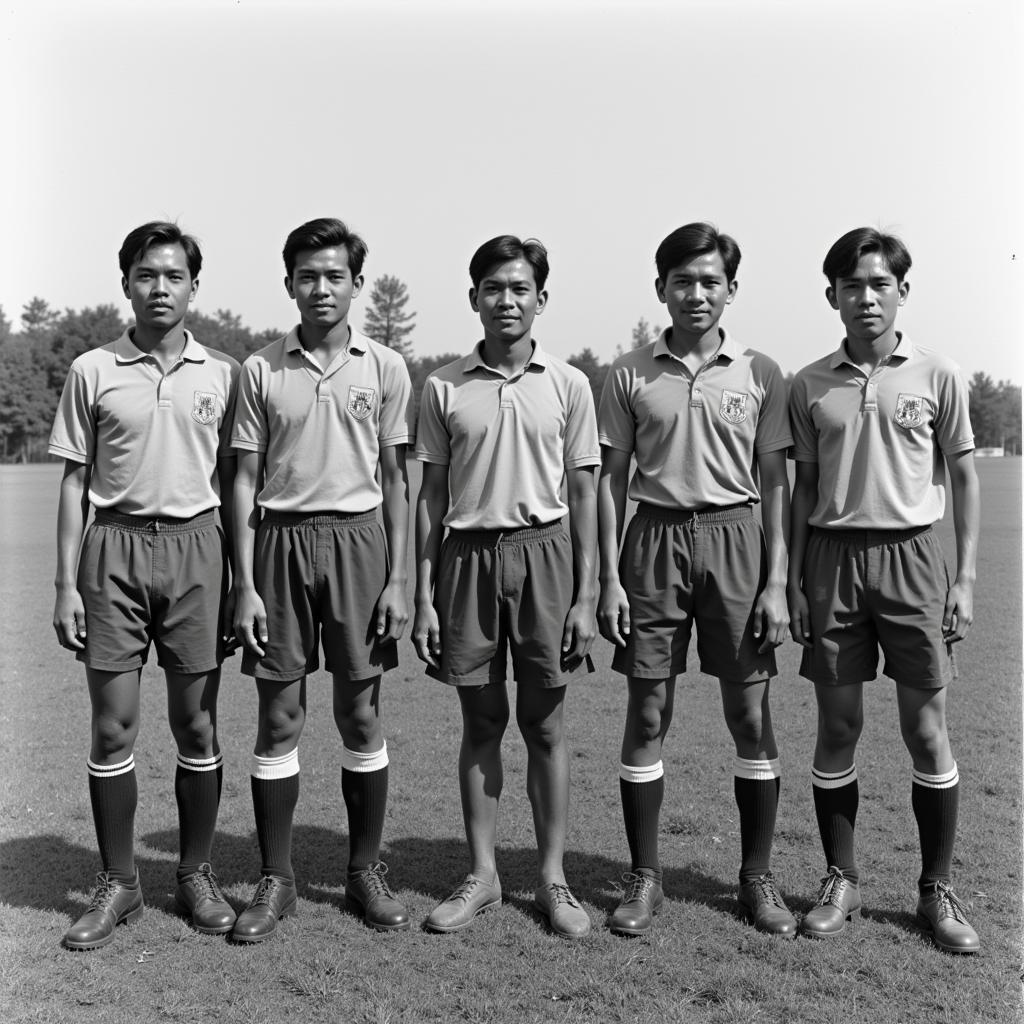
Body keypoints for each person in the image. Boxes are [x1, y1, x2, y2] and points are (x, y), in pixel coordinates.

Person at [597, 223, 796, 938]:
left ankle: (756, 877)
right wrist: (607, 578)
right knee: (648, 713)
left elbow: (777, 484)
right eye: (683, 281)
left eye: (711, 281)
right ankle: (645, 877)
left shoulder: (762, 373)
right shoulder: (626, 372)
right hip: (652, 542)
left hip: (737, 539)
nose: (697, 293)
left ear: (731, 290)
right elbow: (607, 484)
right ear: (662, 289)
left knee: (750, 715)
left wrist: (776, 582)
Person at [788, 227, 980, 953]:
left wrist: (963, 576)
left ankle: (936, 888)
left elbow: (962, 477)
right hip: (833, 563)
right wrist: (798, 581)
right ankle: (841, 876)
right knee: (838, 727)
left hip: (915, 560)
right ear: (831, 295)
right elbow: (803, 486)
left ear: (903, 290)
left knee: (925, 730)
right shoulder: (810, 383)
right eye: (850, 285)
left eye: (879, 284)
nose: (865, 298)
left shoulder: (937, 374)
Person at [50, 222, 239, 950]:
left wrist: (240, 579)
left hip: (197, 550)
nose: (160, 287)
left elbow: (238, 482)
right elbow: (73, 480)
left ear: (195, 286)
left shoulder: (223, 371)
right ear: (125, 282)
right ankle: (120, 882)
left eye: (174, 276)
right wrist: (65, 585)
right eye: (145, 274)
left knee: (196, 723)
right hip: (114, 550)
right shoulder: (93, 369)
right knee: (112, 725)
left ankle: (194, 872)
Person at [230, 217, 413, 941]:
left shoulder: (386, 368)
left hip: (360, 545)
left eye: (335, 275)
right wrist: (244, 584)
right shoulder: (260, 370)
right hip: (279, 547)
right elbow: (243, 480)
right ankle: (277, 879)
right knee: (279, 717)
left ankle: (365, 870)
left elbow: (399, 480)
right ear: (289, 285)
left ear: (357, 285)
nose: (321, 287)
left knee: (360, 714)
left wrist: (399, 579)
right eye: (308, 275)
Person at [413, 235, 599, 939]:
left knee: (546, 724)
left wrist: (586, 594)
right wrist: (424, 593)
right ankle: (483, 876)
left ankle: (553, 878)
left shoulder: (570, 384)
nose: (507, 300)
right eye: (493, 288)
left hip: (545, 557)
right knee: (482, 722)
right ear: (474, 299)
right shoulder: (443, 385)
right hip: (467, 559)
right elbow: (428, 495)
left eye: (520, 288)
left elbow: (584, 494)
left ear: (541, 299)